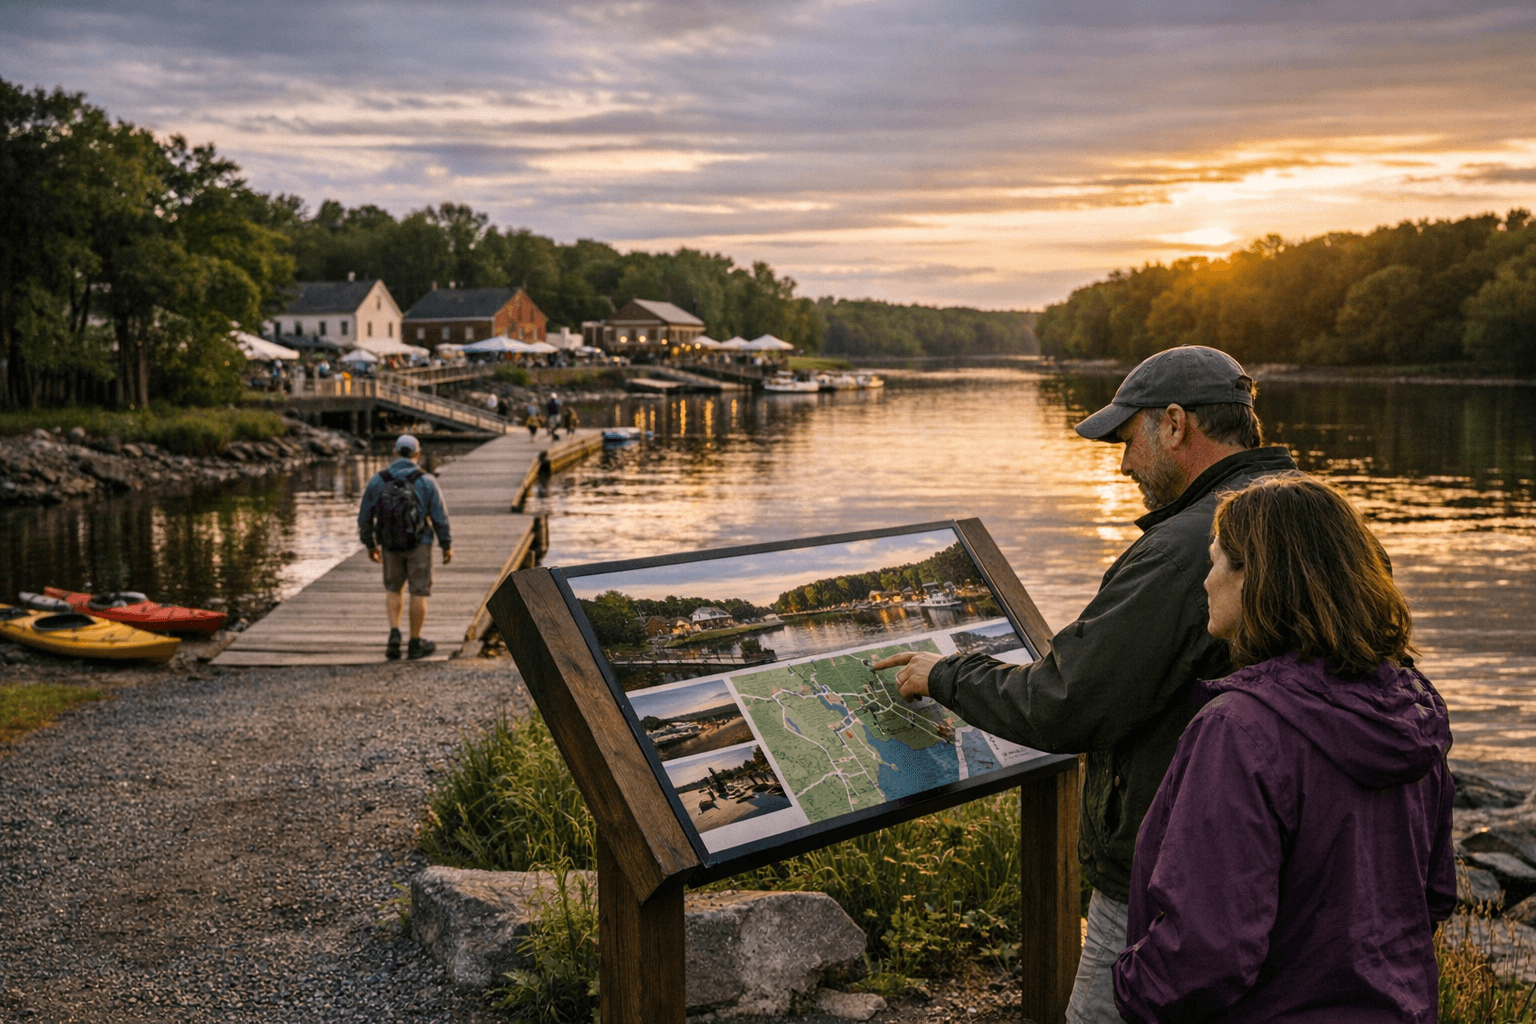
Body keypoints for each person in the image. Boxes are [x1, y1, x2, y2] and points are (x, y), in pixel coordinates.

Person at [875, 345, 1298, 1022]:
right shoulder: (1304, 515)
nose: (1125, 464)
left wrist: (945, 673)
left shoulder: (1187, 546)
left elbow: (1069, 701)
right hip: (1272, 865)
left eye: (1128, 441)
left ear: (1174, 424)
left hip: (1164, 879)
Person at [1112, 473, 1455, 1022]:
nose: (1206, 581)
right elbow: (1430, 897)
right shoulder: (1408, 712)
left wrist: (1132, 986)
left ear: (1259, 578)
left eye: (1218, 559)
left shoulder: (1239, 731)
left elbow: (1205, 951)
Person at [357, 434, 453, 660]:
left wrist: (370, 543)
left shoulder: (378, 480)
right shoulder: (426, 480)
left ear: (395, 452)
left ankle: (394, 635)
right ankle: (415, 642)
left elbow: (365, 516)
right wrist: (446, 544)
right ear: (417, 454)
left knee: (393, 589)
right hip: (419, 543)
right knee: (418, 591)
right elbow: (440, 516)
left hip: (389, 543)